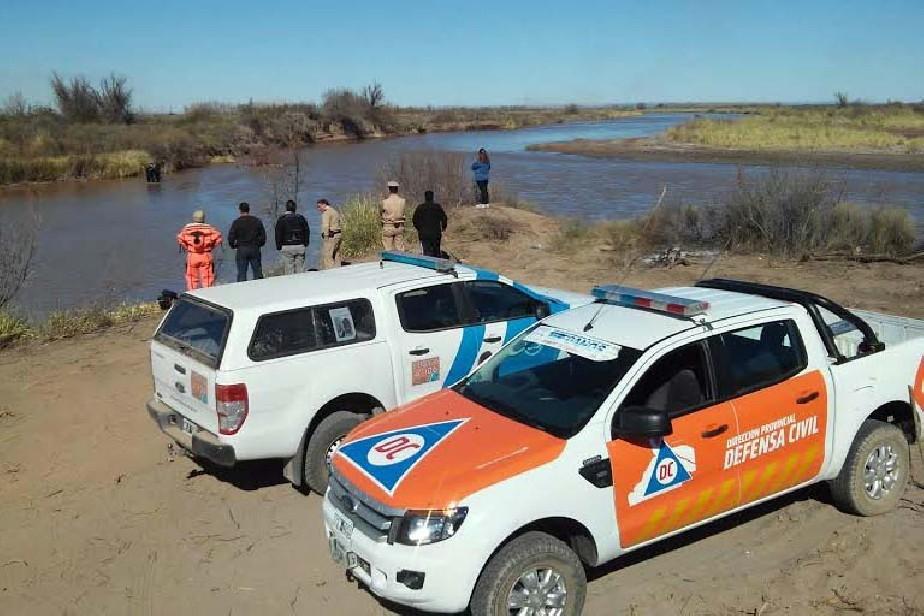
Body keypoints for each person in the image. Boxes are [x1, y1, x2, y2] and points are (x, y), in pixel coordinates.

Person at [176, 210, 222, 290]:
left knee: (191, 277)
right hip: (206, 255)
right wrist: (211, 247)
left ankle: (192, 293)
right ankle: (208, 293)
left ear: (194, 218)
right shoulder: (210, 229)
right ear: (203, 218)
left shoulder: (187, 229)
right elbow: (219, 238)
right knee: (207, 277)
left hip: (192, 255)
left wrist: (187, 248)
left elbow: (180, 239)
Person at [228, 202, 266, 281]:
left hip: (242, 249)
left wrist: (233, 246)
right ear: (249, 210)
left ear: (240, 210)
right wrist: (259, 244)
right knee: (257, 273)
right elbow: (263, 236)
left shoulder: (236, 222)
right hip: (254, 248)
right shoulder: (257, 221)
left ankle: (242, 287)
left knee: (241, 274)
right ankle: (259, 287)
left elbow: (231, 237)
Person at [275, 199, 310, 275]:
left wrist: (278, 246)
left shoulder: (281, 219)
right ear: (295, 208)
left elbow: (278, 233)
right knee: (300, 269)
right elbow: (306, 231)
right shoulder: (301, 218)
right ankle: (301, 281)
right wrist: (306, 243)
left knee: (289, 269)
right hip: (300, 245)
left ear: (286, 208)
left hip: (286, 246)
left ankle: (291, 281)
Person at [412, 190, 448, 258]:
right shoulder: (437, 207)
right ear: (432, 197)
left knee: (426, 252)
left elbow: (414, 220)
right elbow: (444, 218)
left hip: (424, 234)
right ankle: (437, 262)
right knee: (436, 252)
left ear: (425, 198)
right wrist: (443, 227)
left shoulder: (420, 207)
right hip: (436, 234)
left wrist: (419, 229)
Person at [380, 180, 407, 251]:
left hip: (388, 226)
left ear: (389, 190)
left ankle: (389, 257)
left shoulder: (385, 202)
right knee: (400, 249)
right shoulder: (402, 201)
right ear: (397, 189)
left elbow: (381, 213)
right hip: (400, 227)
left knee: (387, 249)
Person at [316, 199, 342, 269]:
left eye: (319, 206)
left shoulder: (326, 213)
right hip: (338, 235)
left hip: (331, 236)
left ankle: (330, 271)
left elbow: (325, 226)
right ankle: (339, 269)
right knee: (336, 254)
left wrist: (325, 237)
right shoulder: (335, 211)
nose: (318, 209)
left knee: (327, 256)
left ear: (324, 204)